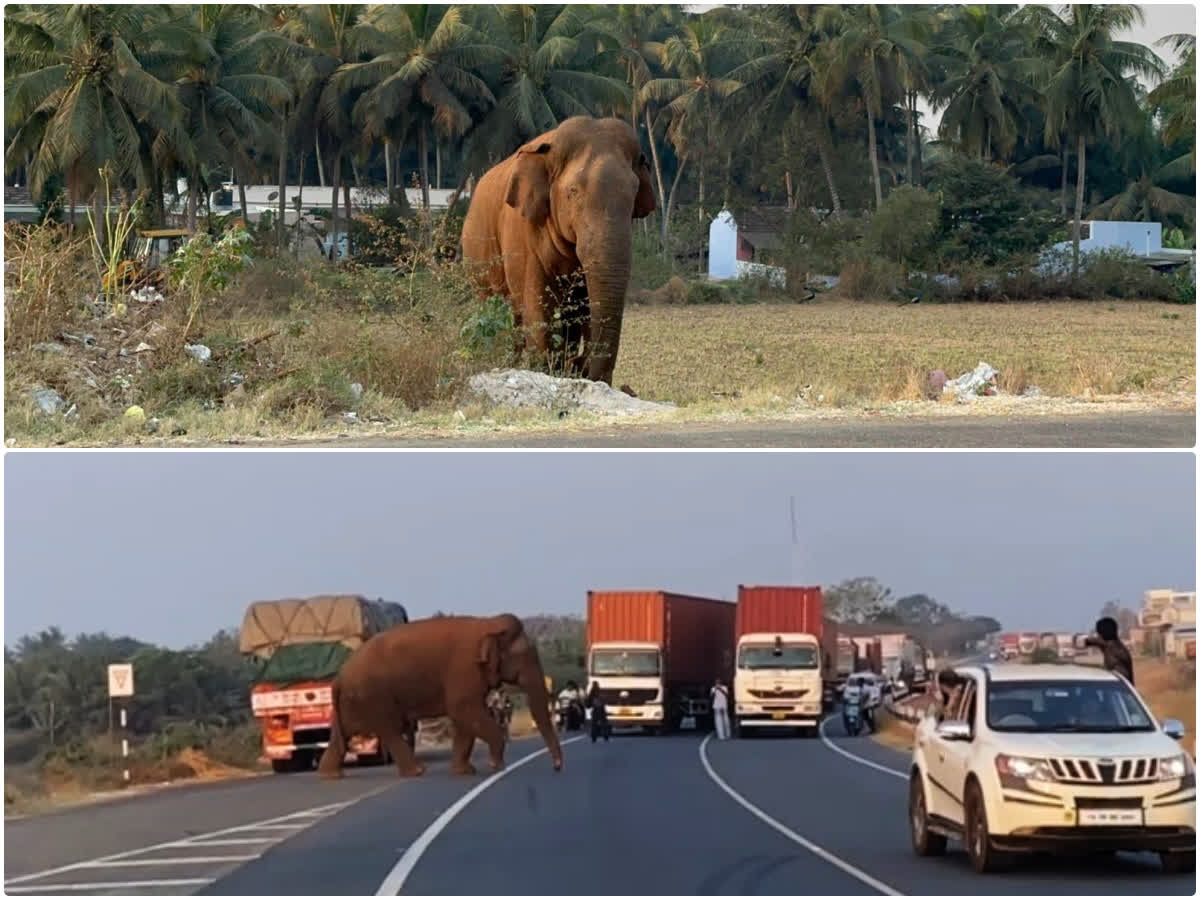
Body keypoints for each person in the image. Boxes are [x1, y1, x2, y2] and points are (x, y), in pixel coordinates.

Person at [1084, 616, 1135, 685]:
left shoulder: (1107, 644)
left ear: (1101, 634)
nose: (1097, 636)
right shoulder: (1121, 648)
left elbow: (1084, 641)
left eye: (1098, 634)